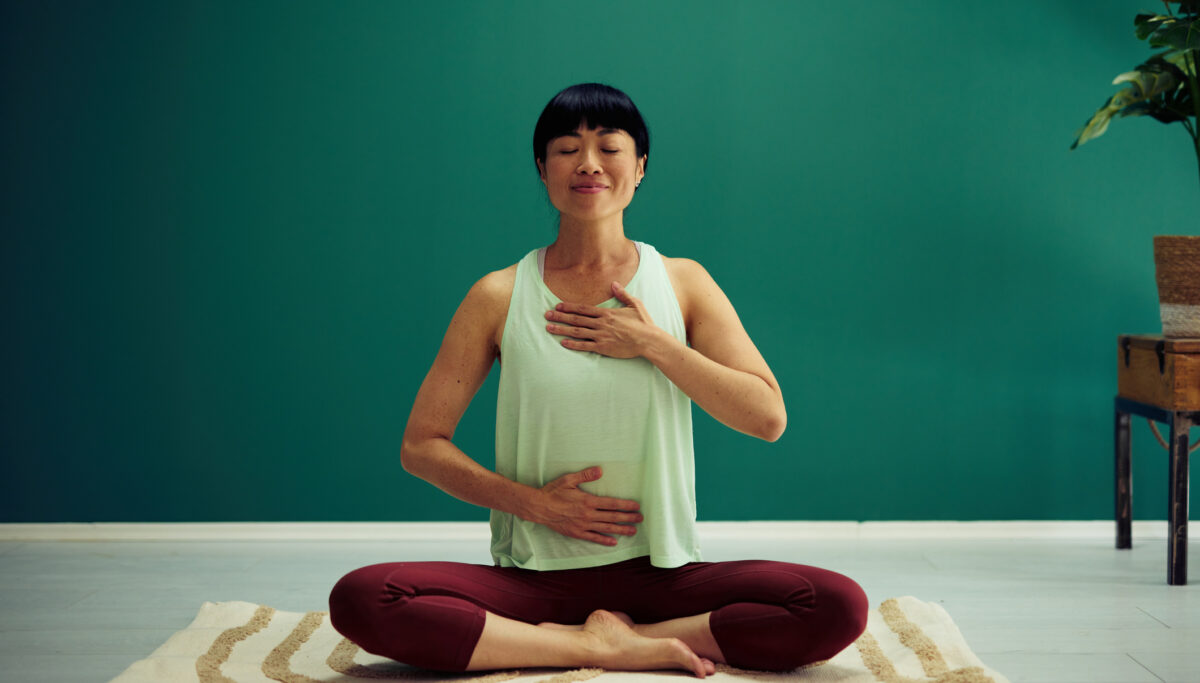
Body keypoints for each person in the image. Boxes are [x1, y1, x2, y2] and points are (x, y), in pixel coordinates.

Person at [328, 83, 868, 678]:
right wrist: (533, 504)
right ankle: (594, 646)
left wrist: (653, 344)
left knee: (836, 605)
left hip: (664, 575)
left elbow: (767, 417)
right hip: (533, 581)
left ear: (639, 167)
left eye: (609, 147)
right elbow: (420, 447)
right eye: (566, 149)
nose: (588, 164)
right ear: (542, 168)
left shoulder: (684, 283)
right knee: (363, 597)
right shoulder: (498, 295)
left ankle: (624, 635)